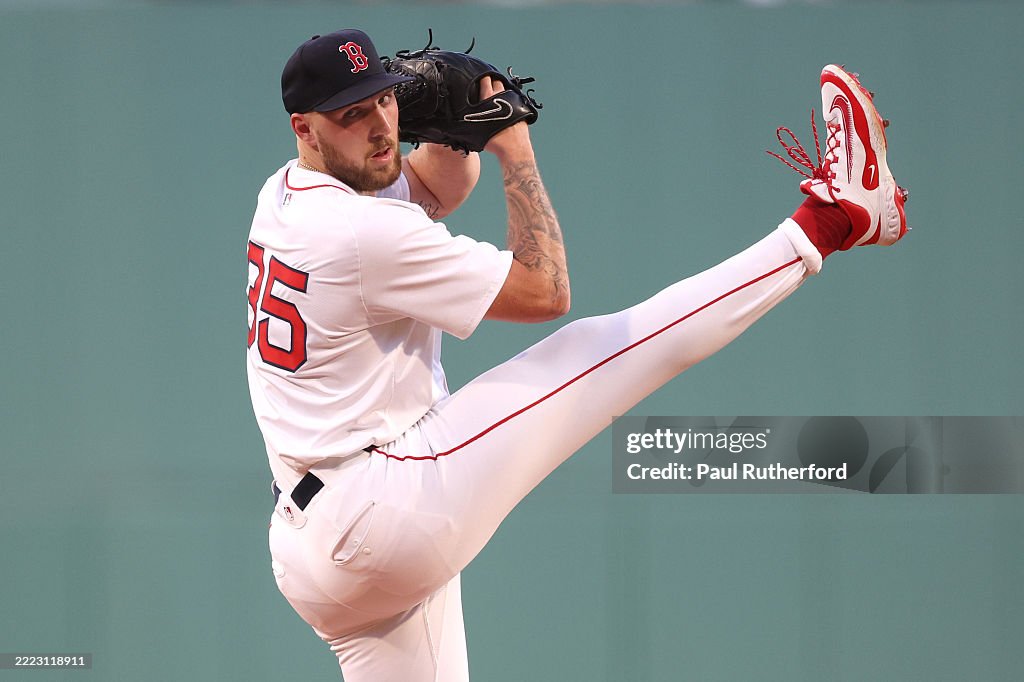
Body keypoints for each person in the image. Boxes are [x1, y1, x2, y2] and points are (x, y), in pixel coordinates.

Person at [246, 28, 908, 682]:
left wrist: (453, 134)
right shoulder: (360, 234)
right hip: (378, 507)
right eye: (352, 114)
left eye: (384, 98)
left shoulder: (286, 194)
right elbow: (546, 291)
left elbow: (433, 192)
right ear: (305, 128)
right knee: (596, 351)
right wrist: (512, 146)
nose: (379, 125)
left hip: (313, 550)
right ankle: (838, 218)